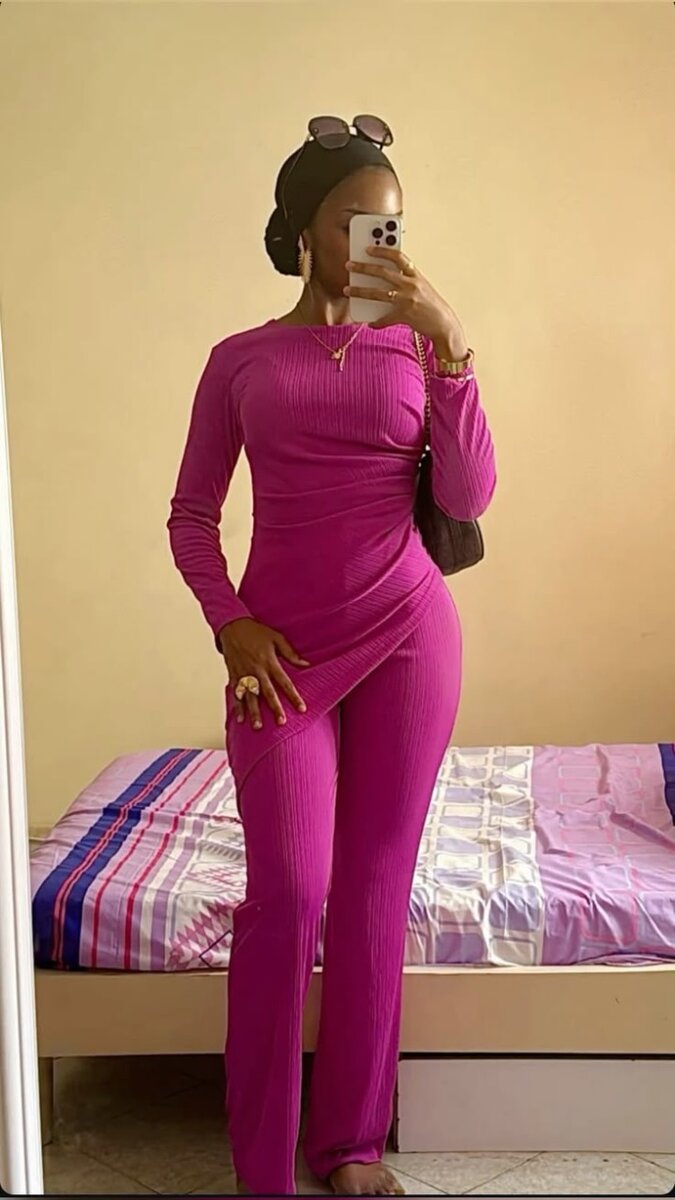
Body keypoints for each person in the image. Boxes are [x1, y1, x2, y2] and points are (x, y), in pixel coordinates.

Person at [168, 115, 496, 1197]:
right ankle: (262, 1164)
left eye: (389, 224)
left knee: (372, 887)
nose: (373, 243)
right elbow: (190, 515)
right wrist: (230, 622)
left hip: (409, 636)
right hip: (280, 658)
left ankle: (348, 1146)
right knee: (289, 891)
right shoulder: (240, 360)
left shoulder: (417, 349)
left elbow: (467, 496)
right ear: (304, 231)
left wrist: (452, 342)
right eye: (354, 221)